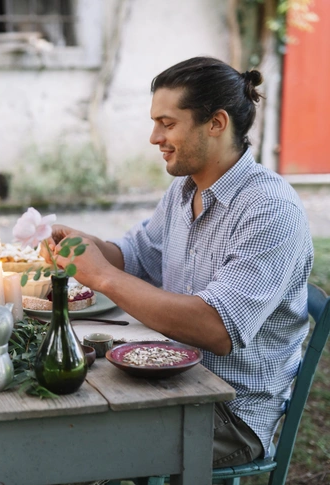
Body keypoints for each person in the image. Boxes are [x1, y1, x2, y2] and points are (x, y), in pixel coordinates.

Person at [46, 57, 313, 468]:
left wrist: (102, 276)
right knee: (55, 413)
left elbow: (216, 327)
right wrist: (89, 246)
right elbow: (135, 257)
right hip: (167, 376)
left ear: (216, 123)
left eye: (167, 123)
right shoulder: (186, 190)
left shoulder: (270, 210)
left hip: (228, 413)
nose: (154, 137)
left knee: (72, 446)